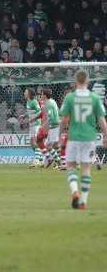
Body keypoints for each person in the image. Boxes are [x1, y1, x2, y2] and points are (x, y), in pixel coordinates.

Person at [60, 69, 107, 210]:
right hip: (89, 138)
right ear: (87, 81)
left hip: (74, 137)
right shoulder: (94, 98)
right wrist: (106, 135)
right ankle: (83, 201)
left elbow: (64, 120)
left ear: (75, 81)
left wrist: (59, 135)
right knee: (86, 169)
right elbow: (101, 120)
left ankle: (75, 192)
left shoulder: (69, 97)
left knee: (71, 166)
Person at [21, 88, 42, 167]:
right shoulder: (28, 102)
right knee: (32, 144)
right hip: (32, 125)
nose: (24, 93)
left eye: (25, 92)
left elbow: (40, 111)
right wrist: (24, 115)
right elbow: (30, 111)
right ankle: (40, 159)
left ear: (29, 94)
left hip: (36, 124)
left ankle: (37, 160)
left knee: (35, 142)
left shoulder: (34, 101)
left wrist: (33, 119)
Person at [41, 88, 61, 167]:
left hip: (54, 126)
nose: (41, 95)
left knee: (48, 146)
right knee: (54, 146)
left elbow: (51, 117)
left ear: (45, 96)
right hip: (56, 125)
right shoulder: (52, 101)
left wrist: (44, 125)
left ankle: (59, 161)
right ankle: (56, 160)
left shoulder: (48, 104)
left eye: (42, 94)